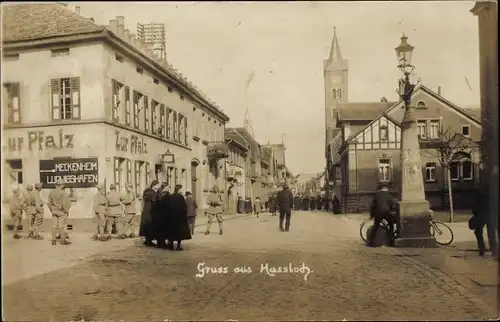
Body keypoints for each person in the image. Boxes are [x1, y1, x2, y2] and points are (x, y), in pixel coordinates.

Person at [367, 182, 396, 247]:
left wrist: (372, 215)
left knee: (376, 226)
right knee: (391, 225)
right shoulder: (389, 195)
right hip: (386, 212)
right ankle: (391, 241)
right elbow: (392, 206)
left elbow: (373, 206)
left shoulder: (376, 195)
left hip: (378, 213)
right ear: (386, 188)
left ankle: (370, 242)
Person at [166, 184, 192, 250]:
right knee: (179, 232)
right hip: (180, 217)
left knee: (172, 231)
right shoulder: (180, 197)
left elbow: (168, 206)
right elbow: (185, 207)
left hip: (171, 217)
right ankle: (178, 246)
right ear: (179, 189)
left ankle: (171, 244)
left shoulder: (171, 196)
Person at [47, 180, 71, 246]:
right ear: (62, 185)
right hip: (62, 212)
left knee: (54, 225)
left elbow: (49, 203)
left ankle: (53, 240)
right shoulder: (63, 193)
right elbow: (65, 204)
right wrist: (66, 211)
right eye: (63, 184)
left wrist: (51, 210)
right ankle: (63, 240)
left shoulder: (51, 193)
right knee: (61, 226)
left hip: (54, 211)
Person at [139, 180, 160, 246]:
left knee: (146, 226)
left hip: (146, 210)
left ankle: (147, 240)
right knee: (150, 225)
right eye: (157, 185)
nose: (158, 187)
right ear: (154, 185)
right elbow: (155, 202)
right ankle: (149, 241)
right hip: (151, 211)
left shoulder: (147, 192)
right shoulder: (153, 193)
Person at [470, 187, 488, 256]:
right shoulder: (485, 198)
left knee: (478, 233)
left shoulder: (477, 199)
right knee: (479, 232)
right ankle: (481, 248)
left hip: (479, 217)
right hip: (484, 217)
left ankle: (481, 248)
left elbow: (474, 208)